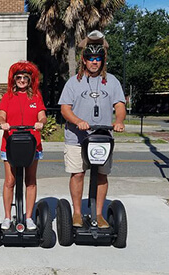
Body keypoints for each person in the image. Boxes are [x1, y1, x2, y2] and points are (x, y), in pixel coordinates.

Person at [58, 30, 126, 228]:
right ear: (84, 60)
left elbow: (119, 105)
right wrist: (78, 120)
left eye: (98, 58)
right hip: (77, 138)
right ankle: (77, 213)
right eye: (90, 58)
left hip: (103, 137)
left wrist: (119, 121)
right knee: (78, 174)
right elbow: (65, 109)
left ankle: (99, 214)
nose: (94, 62)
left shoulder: (112, 81)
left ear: (102, 60)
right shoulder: (74, 82)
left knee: (102, 175)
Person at [0, 61, 47, 230]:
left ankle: (29, 217)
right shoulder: (8, 96)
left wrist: (40, 122)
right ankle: (6, 217)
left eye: (25, 77)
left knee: (30, 181)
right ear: (14, 80)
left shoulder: (36, 96)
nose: (22, 80)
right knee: (10, 181)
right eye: (18, 77)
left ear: (30, 79)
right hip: (11, 143)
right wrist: (3, 123)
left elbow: (42, 116)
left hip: (32, 143)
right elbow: (1, 115)